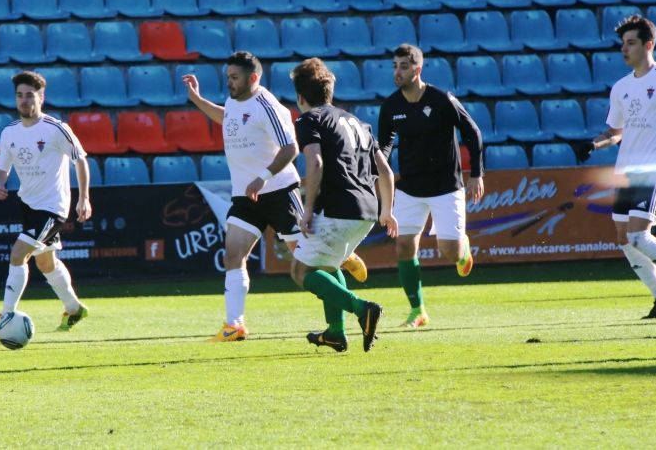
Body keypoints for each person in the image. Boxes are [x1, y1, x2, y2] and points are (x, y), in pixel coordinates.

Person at [183, 51, 367, 342]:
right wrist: (198, 100)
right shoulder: (233, 102)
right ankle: (235, 325)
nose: (229, 82)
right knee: (233, 254)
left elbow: (290, 148)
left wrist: (263, 176)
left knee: (309, 260)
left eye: (235, 77)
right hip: (246, 195)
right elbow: (227, 117)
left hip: (279, 191)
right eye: (228, 77)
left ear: (253, 78)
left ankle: (343, 263)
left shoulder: (267, 105)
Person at [578, 15, 656, 319]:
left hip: (655, 169)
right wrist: (594, 144)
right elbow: (614, 133)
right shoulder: (620, 87)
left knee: (638, 235)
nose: (624, 49)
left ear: (648, 45)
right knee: (624, 239)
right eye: (623, 44)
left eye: (631, 43)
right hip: (625, 173)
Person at [290, 58, 398, 353]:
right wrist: (387, 211)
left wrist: (308, 208)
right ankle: (336, 332)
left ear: (301, 97)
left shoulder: (309, 120)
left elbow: (315, 161)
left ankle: (362, 309)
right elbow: (386, 171)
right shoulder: (358, 122)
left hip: (338, 206)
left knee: (301, 272)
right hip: (367, 210)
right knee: (328, 264)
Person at [0, 71, 91, 335]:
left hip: (54, 207)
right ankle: (74, 308)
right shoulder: (9, 133)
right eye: (20, 95)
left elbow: (80, 160)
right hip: (29, 204)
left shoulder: (56, 128)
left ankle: (4, 316)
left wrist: (84, 198)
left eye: (30, 95)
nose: (24, 100)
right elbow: (0, 168)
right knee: (45, 263)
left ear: (41, 97)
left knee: (19, 254)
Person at [378, 44, 485, 329]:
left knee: (448, 251)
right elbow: (384, 143)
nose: (397, 72)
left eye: (403, 66)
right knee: (404, 245)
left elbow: (471, 131)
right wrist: (382, 166)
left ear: (417, 69)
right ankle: (418, 311)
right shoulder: (391, 106)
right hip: (410, 187)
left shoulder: (441, 99)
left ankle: (462, 248)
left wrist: (476, 174)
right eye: (394, 66)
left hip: (446, 186)